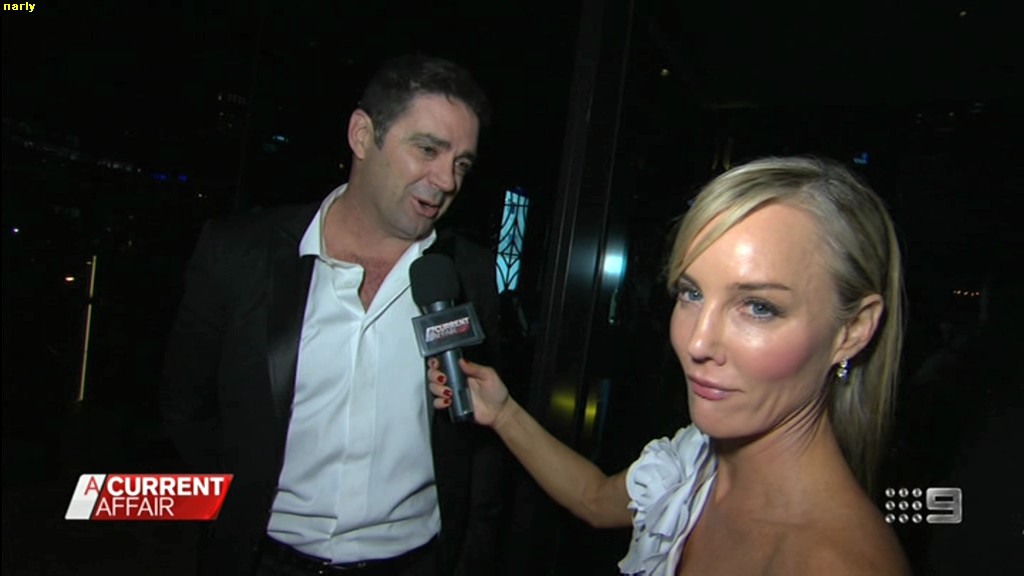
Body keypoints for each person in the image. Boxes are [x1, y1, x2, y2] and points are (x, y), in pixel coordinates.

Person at [428, 156, 911, 575]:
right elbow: (595, 498)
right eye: (691, 293)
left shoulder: (837, 564)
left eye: (758, 307)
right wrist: (503, 412)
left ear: (852, 331)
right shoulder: (695, 459)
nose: (697, 342)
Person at [161, 54, 506, 576]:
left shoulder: (467, 275)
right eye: (428, 149)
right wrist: (239, 512)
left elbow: (483, 445)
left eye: (461, 163)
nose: (446, 179)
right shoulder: (241, 254)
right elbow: (187, 407)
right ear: (362, 135)